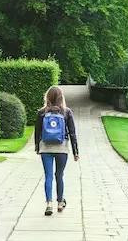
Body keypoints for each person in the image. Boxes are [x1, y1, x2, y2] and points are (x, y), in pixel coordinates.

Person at [35, 86, 79, 216]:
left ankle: (49, 204)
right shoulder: (66, 112)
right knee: (59, 175)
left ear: (47, 97)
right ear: (61, 97)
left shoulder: (42, 112)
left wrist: (37, 147)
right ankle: (60, 202)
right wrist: (76, 152)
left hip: (45, 148)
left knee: (48, 176)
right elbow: (72, 133)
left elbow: (37, 132)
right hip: (62, 148)